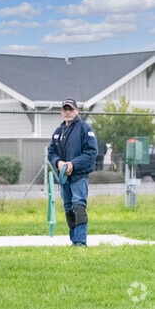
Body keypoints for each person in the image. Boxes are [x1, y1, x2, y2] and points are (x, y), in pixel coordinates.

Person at [47, 97, 98, 247]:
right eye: (65, 109)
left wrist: (72, 164)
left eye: (71, 109)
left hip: (79, 176)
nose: (68, 112)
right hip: (64, 178)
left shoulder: (84, 129)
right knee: (68, 208)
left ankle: (81, 241)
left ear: (77, 111)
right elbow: (51, 152)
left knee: (79, 205)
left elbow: (92, 152)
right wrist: (59, 162)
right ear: (61, 112)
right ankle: (73, 240)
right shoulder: (58, 132)